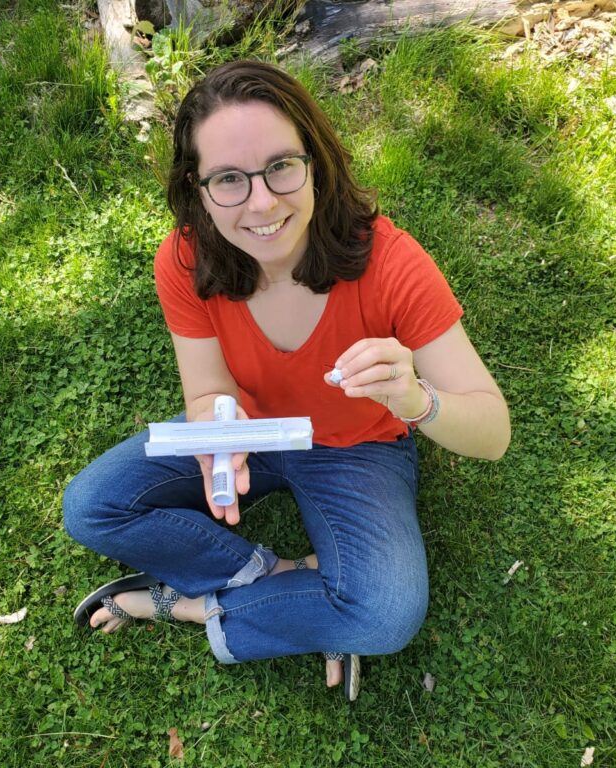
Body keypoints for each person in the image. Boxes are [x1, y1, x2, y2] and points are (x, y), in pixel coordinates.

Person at [63, 59, 510, 699]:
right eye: (229, 180)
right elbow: (206, 389)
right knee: (91, 506)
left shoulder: (391, 264)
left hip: (359, 451)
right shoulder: (186, 257)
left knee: (386, 614)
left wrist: (417, 399)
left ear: (315, 160)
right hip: (256, 433)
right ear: (198, 187)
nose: (262, 202)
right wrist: (219, 428)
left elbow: (492, 432)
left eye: (280, 166)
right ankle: (282, 576)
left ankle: (186, 604)